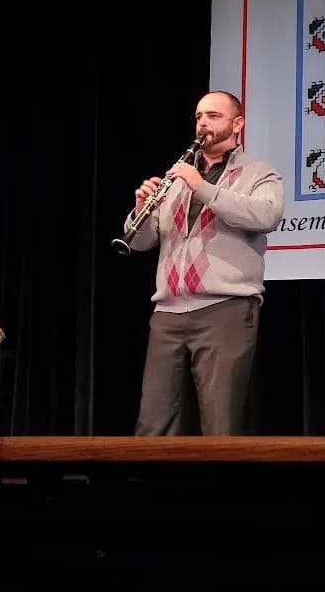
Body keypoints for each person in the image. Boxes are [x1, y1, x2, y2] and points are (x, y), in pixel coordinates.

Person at [125, 91, 285, 436]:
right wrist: (141, 210)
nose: (203, 123)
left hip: (223, 309)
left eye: (213, 116)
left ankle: (219, 490)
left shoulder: (258, 173)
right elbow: (141, 242)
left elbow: (266, 215)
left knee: (219, 421)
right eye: (199, 116)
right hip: (167, 313)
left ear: (237, 124)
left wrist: (202, 188)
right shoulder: (179, 177)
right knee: (153, 422)